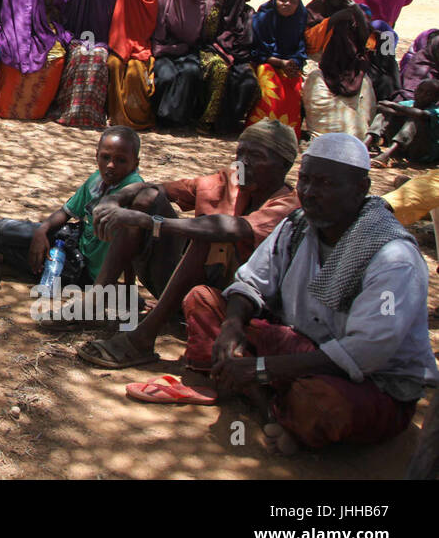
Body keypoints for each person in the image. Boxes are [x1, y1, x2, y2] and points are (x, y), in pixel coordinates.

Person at [182, 133, 438, 453]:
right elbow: (251, 282)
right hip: (297, 349)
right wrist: (232, 327)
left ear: (361, 189)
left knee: (323, 405)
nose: (310, 193)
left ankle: (261, 396)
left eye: (326, 184)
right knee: (205, 302)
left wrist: (261, 369)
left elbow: (364, 353)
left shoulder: (393, 256)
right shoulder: (299, 225)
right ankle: (270, 405)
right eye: (305, 181)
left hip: (366, 381)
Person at [75, 120, 301, 368]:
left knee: (207, 233)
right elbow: (156, 188)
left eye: (255, 156)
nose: (243, 163)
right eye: (240, 154)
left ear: (284, 164)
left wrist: (151, 222)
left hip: (233, 308)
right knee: (146, 198)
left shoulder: (288, 207)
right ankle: (95, 301)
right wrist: (115, 199)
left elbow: (231, 229)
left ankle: (142, 339)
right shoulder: (229, 182)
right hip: (189, 286)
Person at [0, 127, 143, 289]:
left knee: (23, 253)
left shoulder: (134, 189)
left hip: (85, 270)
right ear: (96, 155)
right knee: (7, 230)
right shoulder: (97, 179)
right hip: (74, 241)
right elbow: (66, 212)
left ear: (135, 163)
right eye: (106, 157)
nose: (111, 165)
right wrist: (42, 232)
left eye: (121, 160)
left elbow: (132, 245)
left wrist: (128, 290)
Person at [0, 0, 68, 120]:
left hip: (43, 29)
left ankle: (36, 111)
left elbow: (52, 1)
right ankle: (7, 109)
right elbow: (10, 11)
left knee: (56, 58)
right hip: (15, 28)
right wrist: (19, 34)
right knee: (11, 55)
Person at [302, 0, 375, 138]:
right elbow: (308, 40)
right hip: (320, 62)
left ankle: (354, 136)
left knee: (363, 92)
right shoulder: (315, 9)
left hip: (350, 66)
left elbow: (366, 42)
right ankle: (322, 134)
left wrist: (356, 13)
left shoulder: (357, 12)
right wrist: (333, 20)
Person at [54, 0, 118, 129]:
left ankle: (93, 114)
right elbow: (60, 16)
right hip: (74, 37)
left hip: (101, 40)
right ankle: (70, 111)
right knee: (80, 56)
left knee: (98, 59)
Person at [197, 0, 258, 133]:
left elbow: (247, 40)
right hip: (210, 50)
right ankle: (207, 121)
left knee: (249, 81)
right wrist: (218, 6)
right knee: (220, 70)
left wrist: (236, 55)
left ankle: (230, 124)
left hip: (237, 55)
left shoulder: (247, 12)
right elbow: (207, 35)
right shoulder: (212, 3)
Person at [107, 0, 159, 132]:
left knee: (135, 73)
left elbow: (147, 27)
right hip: (118, 43)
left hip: (141, 45)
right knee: (113, 65)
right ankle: (115, 115)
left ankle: (137, 118)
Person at [246, 0, 308, 134]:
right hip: (266, 63)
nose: (287, 4)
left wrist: (294, 63)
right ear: (275, 0)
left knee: (295, 88)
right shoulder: (262, 19)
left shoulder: (299, 20)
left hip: (289, 65)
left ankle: (288, 133)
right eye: (283, 0)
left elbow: (301, 49)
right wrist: (280, 62)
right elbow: (256, 51)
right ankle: (260, 131)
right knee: (270, 88)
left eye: (292, 2)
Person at [150, 0, 205, 126]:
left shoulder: (200, 5)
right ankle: (160, 116)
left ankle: (178, 119)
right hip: (164, 49)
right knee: (167, 75)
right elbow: (158, 33)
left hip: (188, 51)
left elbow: (197, 36)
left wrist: (184, 47)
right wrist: (172, 48)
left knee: (190, 71)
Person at [366, 78, 439, 168]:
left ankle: (387, 154)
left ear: (436, 99)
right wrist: (401, 111)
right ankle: (365, 144)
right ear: (415, 90)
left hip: (421, 153)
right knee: (385, 114)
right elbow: (381, 106)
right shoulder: (409, 103)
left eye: (428, 94)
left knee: (415, 119)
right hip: (403, 150)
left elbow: (421, 114)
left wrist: (394, 106)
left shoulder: (436, 110)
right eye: (420, 90)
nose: (422, 95)